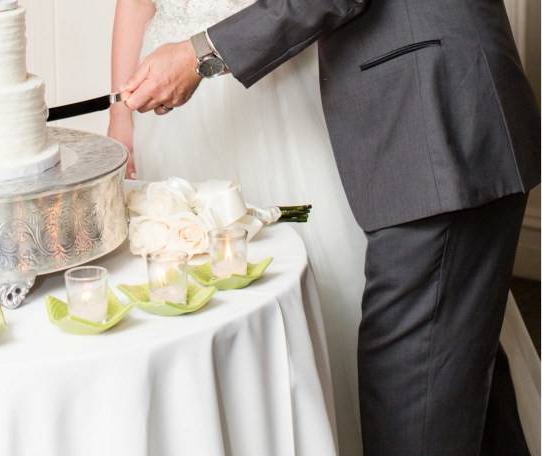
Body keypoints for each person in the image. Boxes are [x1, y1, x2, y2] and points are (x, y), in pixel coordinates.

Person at [114, 0, 541, 455]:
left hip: (432, 123)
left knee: (412, 416)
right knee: (457, 388)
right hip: (427, 122)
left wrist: (202, 53)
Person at [109, 1, 368, 453]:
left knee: (297, 235)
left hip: (268, 87)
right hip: (172, 109)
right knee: (185, 264)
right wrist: (120, 114)